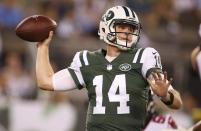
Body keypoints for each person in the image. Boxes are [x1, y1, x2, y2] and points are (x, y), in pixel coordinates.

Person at [36, 6, 182, 131]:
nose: (127, 32)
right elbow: (46, 82)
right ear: (107, 27)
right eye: (122, 27)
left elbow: (177, 102)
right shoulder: (87, 60)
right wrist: (43, 47)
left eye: (131, 29)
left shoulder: (144, 56)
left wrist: (165, 96)